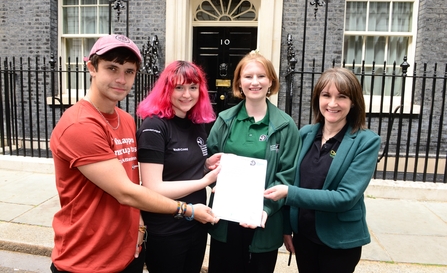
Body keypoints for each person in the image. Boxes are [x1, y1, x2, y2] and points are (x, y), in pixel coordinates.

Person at [49, 34, 216, 273]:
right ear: (91, 68)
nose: (121, 79)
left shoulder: (126, 120)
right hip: (86, 258)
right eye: (112, 68)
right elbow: (126, 192)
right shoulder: (80, 125)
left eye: (129, 71)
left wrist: (139, 227)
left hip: (127, 253)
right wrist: (187, 210)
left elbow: (133, 182)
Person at [264, 67, 381, 273]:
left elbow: (345, 197)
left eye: (342, 97)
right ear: (318, 98)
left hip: (339, 241)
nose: (333, 103)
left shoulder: (366, 141)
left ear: (353, 102)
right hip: (304, 237)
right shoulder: (305, 134)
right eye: (326, 95)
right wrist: (286, 228)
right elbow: (290, 178)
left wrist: (289, 193)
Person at [206, 50, 300, 273]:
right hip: (225, 220)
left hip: (264, 222)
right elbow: (209, 161)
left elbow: (287, 175)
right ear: (239, 82)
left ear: (271, 81)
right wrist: (212, 174)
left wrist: (266, 208)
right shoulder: (224, 120)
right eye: (248, 76)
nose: (254, 82)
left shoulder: (286, 126)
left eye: (261, 76)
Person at [136, 60, 222, 273]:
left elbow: (181, 170)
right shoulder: (154, 127)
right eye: (179, 87)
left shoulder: (196, 123)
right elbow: (153, 188)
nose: (187, 94)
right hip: (167, 229)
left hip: (197, 224)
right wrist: (204, 181)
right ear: (166, 90)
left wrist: (206, 165)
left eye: (193, 87)